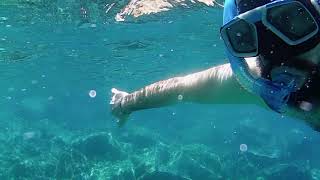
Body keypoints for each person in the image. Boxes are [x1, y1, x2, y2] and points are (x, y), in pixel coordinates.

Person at [110, 0, 320, 131]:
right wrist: (125, 103)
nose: (277, 52)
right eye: (249, 37)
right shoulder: (258, 81)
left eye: (294, 22)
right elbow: (181, 87)